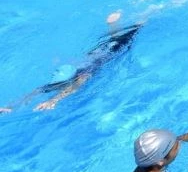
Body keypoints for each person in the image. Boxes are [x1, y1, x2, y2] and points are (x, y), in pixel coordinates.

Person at [1, 21, 143, 113]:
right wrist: (11, 106)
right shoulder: (71, 76)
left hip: (102, 55)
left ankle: (126, 25)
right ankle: (118, 25)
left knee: (122, 39)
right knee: (115, 40)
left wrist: (53, 100)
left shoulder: (83, 74)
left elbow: (74, 87)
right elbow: (34, 92)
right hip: (96, 54)